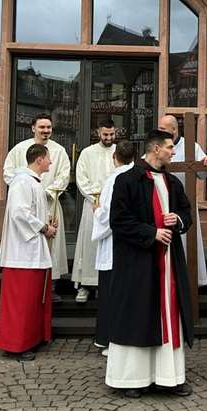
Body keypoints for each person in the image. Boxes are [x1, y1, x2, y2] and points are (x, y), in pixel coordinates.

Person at [106, 130, 194, 398]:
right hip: (138, 263)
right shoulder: (127, 181)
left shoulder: (172, 182)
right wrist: (151, 232)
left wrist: (176, 219)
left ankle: (170, 377)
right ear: (155, 149)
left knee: (168, 314)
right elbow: (118, 221)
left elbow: (186, 213)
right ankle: (132, 378)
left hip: (168, 262)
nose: (173, 152)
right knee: (138, 315)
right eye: (169, 147)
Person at [0, 144, 57, 361]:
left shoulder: (32, 182)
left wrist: (46, 223)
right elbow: (19, 213)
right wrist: (43, 227)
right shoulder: (22, 182)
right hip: (21, 253)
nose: (51, 162)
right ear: (39, 160)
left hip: (32, 250)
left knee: (31, 300)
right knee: (21, 302)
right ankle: (17, 344)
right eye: (49, 158)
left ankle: (30, 338)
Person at [3, 114, 70, 283]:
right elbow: (8, 172)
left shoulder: (59, 151)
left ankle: (51, 283)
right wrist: (27, 191)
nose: (45, 131)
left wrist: (47, 192)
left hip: (50, 202)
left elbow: (64, 175)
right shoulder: (20, 149)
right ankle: (35, 282)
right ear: (33, 128)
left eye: (48, 127)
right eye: (42, 127)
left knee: (51, 246)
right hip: (27, 204)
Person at [91, 140, 136, 353]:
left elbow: (109, 216)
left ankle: (110, 339)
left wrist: (97, 210)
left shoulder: (113, 180)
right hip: (132, 244)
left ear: (114, 157)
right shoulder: (139, 177)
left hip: (113, 245)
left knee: (112, 294)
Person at [158, 114, 207, 286]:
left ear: (174, 129)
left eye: (163, 128)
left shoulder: (191, 147)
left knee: (187, 245)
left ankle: (189, 282)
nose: (159, 131)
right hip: (162, 204)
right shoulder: (158, 147)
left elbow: (203, 173)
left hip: (184, 204)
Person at [72, 120, 117, 303]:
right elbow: (81, 179)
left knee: (108, 247)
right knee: (89, 245)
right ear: (98, 132)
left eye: (111, 134)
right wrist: (95, 199)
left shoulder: (118, 152)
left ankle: (103, 285)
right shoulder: (87, 153)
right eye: (105, 134)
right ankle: (85, 285)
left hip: (113, 207)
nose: (108, 138)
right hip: (93, 206)